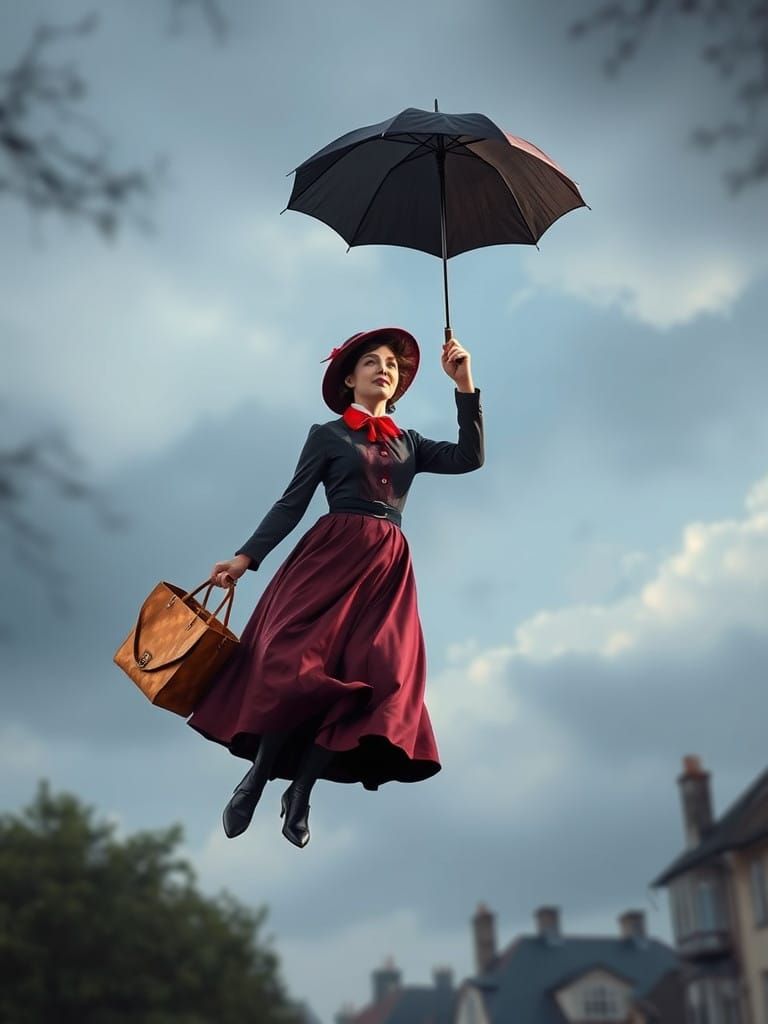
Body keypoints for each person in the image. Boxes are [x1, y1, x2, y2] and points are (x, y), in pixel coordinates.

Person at [187, 327, 484, 848]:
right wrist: (244, 558)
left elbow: (469, 458)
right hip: (328, 558)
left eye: (392, 364)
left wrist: (464, 384)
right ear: (350, 379)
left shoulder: (409, 442)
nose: (384, 369)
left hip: (385, 568)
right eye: (371, 362)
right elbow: (291, 502)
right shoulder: (327, 435)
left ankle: (300, 793)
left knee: (377, 677)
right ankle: (258, 776)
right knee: (292, 664)